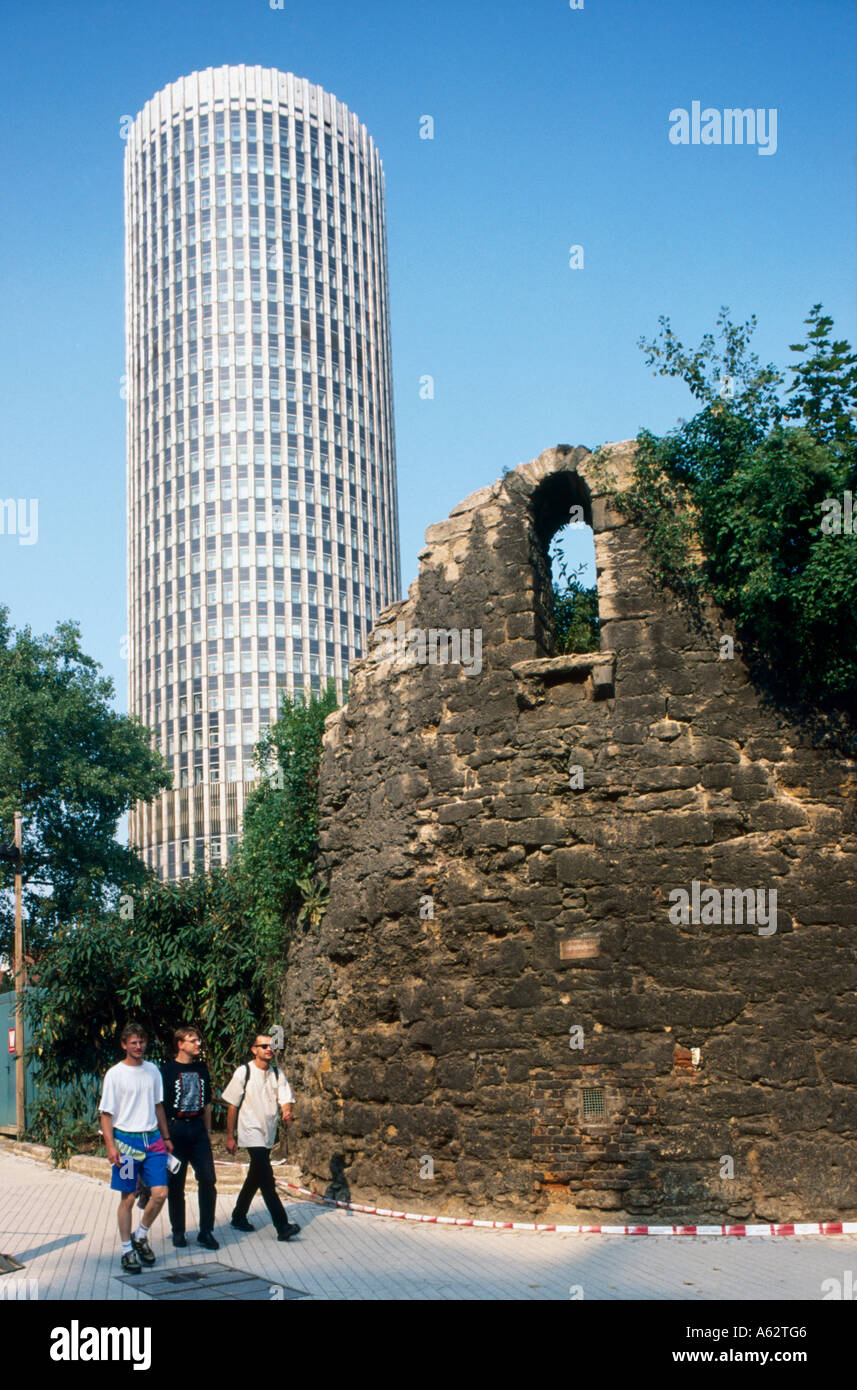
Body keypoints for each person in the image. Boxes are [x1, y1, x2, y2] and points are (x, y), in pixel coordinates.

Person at [99, 1022, 174, 1274]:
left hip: (152, 1141)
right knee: (128, 1198)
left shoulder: (153, 1070)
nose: (139, 1046)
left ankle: (140, 1236)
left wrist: (166, 1137)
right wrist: (111, 1146)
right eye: (133, 1042)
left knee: (160, 1194)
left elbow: (159, 1106)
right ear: (124, 1045)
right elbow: (106, 1115)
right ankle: (126, 1250)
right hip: (126, 1144)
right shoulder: (115, 1074)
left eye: (142, 1042)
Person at [221, 1033, 300, 1241]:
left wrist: (286, 1111)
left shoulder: (277, 1073)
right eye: (263, 1045)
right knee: (266, 1177)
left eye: (271, 1045)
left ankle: (238, 1216)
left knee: (255, 1175)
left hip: (268, 1132)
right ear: (254, 1049)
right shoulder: (243, 1072)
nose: (268, 1049)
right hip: (250, 1131)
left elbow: (285, 1098)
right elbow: (232, 1105)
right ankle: (282, 1226)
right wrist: (230, 1136)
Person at [161, 1025, 219, 1250]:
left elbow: (206, 1105)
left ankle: (206, 1231)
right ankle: (178, 1231)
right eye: (192, 1041)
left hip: (197, 1130)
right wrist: (165, 1136)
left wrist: (208, 1132)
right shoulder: (167, 1071)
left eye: (198, 1041)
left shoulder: (202, 1070)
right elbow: (161, 1107)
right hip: (175, 1131)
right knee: (176, 1184)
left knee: (208, 1179)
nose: (198, 1044)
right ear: (180, 1044)